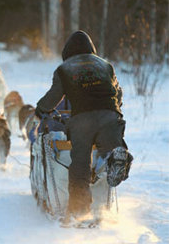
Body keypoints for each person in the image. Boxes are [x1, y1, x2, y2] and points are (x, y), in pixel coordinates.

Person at [35, 30, 132, 224]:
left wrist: (41, 109)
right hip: (110, 114)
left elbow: (55, 96)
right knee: (110, 145)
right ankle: (117, 155)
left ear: (67, 52)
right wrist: (114, 109)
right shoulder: (105, 65)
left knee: (80, 164)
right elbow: (117, 93)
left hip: (82, 119)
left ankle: (79, 210)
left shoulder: (64, 69)